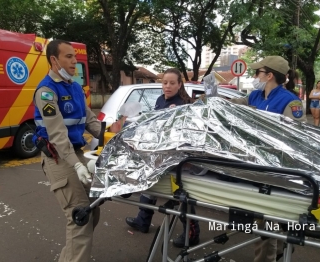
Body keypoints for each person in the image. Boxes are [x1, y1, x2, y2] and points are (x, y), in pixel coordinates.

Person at [33, 39, 123, 262]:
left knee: (93, 207)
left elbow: (90, 122)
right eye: (69, 57)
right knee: (80, 216)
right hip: (57, 157)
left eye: (75, 56)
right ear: (54, 60)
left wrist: (113, 133)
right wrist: (75, 164)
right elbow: (57, 134)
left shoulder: (75, 87)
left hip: (77, 154)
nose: (75, 61)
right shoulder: (46, 91)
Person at [232, 56, 305, 262]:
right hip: (255, 164)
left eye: (258, 72)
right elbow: (232, 105)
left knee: (265, 221)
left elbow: (296, 139)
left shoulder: (290, 101)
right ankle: (279, 247)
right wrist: (209, 97)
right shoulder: (254, 96)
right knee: (266, 219)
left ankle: (268, 257)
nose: (255, 76)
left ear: (269, 75)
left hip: (276, 170)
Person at [125, 68, 200, 248]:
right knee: (148, 187)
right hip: (157, 156)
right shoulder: (160, 101)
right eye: (165, 83)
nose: (167, 86)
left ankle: (192, 233)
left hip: (176, 161)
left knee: (181, 196)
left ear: (179, 84)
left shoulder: (183, 104)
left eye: (172, 83)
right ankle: (143, 221)